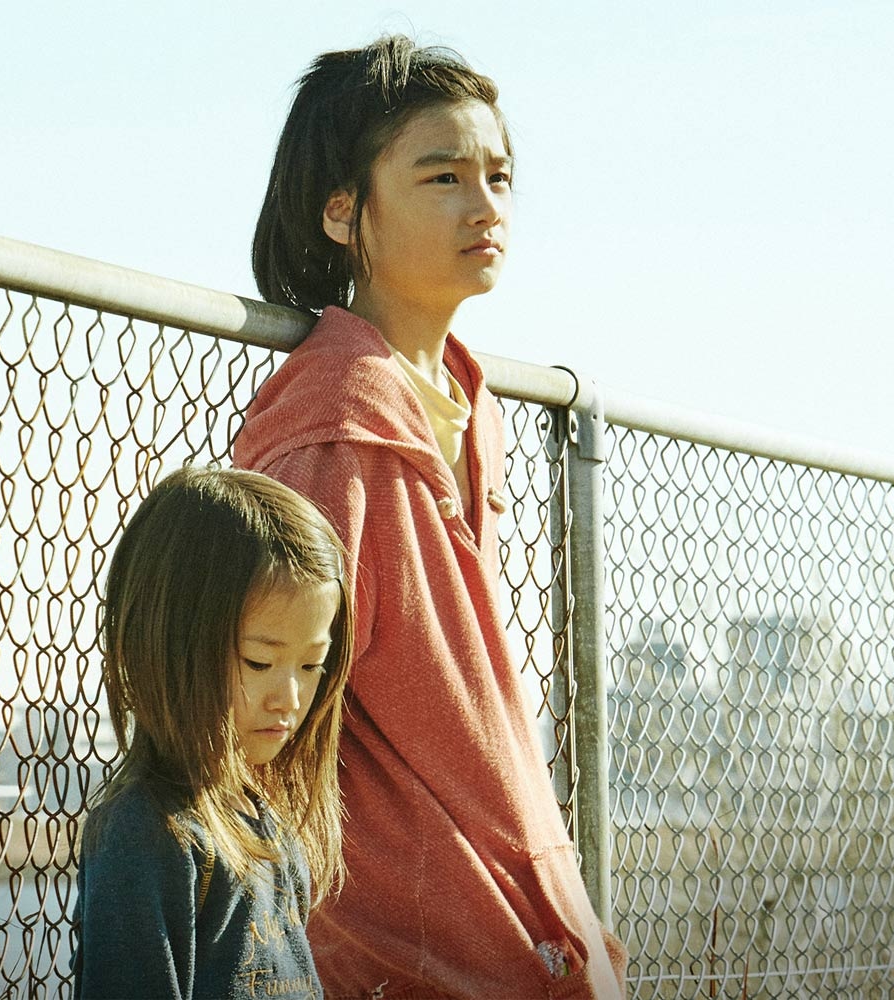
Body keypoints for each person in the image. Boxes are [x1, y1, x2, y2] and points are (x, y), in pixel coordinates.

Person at [234, 34, 627, 1000]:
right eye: (443, 177)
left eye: (499, 176)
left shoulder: (466, 400)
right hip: (398, 945)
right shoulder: (333, 424)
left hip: (513, 924)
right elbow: (272, 717)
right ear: (343, 211)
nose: (485, 205)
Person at [72, 466, 354, 999]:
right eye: (259, 661)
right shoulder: (146, 835)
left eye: (311, 664)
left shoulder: (268, 825)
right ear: (172, 646)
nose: (290, 698)